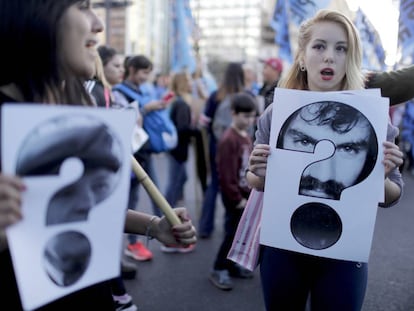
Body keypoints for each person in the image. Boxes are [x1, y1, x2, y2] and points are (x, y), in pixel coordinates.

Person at [0, 1, 197, 310]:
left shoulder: (81, 105)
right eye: (82, 6)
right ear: (33, 13)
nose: (98, 25)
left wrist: (153, 226)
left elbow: (84, 207)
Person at [245, 10, 403, 311]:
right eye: (319, 46)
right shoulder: (276, 114)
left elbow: (391, 196)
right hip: (282, 247)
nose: (329, 56)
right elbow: (254, 180)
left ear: (350, 59)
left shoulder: (375, 119)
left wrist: (381, 176)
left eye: (340, 48)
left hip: (345, 253)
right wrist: (257, 171)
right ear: (302, 57)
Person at [113, 54, 167, 262]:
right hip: (129, 153)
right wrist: (146, 108)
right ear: (133, 69)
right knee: (126, 199)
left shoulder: (139, 90)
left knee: (139, 195)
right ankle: (131, 244)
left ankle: (139, 239)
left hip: (141, 150)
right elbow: (126, 118)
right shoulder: (118, 92)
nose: (146, 77)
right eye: (144, 72)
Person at [277, 101, 377, 200]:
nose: (322, 177)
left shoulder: (380, 117)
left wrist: (380, 177)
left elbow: (389, 198)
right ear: (279, 140)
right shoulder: (275, 111)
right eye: (304, 142)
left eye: (348, 149)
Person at [209, 93, 257, 291]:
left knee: (241, 234)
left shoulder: (246, 136)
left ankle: (231, 265)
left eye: (252, 116)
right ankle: (219, 268)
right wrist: (237, 199)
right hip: (234, 197)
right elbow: (226, 175)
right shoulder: (229, 140)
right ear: (233, 114)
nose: (248, 120)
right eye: (244, 116)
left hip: (245, 192)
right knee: (231, 234)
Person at [198, 62, 248, 239]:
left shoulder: (216, 96)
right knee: (237, 184)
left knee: (215, 184)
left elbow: (203, 122)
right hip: (241, 146)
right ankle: (235, 228)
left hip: (218, 145)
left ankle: (205, 227)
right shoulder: (246, 95)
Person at [162, 71, 197, 253]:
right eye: (189, 80)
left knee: (180, 179)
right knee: (174, 185)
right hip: (178, 150)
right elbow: (182, 128)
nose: (192, 83)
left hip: (174, 150)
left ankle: (169, 216)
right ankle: (169, 226)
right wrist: (196, 131)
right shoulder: (182, 103)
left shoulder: (175, 100)